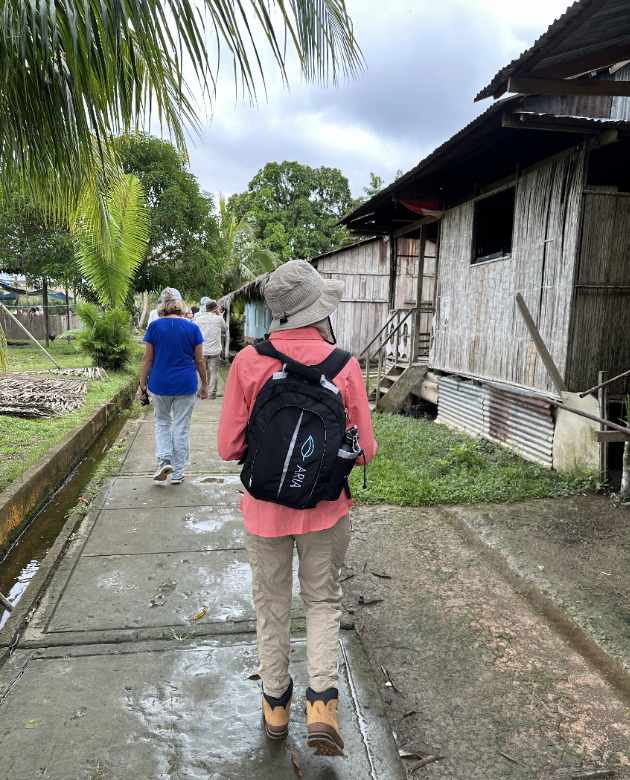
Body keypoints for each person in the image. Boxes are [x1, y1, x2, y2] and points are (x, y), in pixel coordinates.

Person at [218, 260, 376, 757]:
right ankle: (322, 709)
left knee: (272, 608)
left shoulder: (248, 362)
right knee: (324, 603)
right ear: (317, 308)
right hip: (326, 510)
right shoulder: (344, 364)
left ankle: (275, 709)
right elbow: (365, 449)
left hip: (264, 511)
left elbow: (227, 446)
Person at [137, 287, 208, 484]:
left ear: (163, 305)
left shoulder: (154, 327)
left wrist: (141, 385)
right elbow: (200, 361)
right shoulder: (192, 327)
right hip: (185, 383)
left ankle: (164, 461)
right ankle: (177, 473)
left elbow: (147, 358)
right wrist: (205, 384)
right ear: (180, 304)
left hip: (159, 384)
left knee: (161, 422)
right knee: (181, 426)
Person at [196, 299, 227, 400]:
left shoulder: (199, 319)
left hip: (202, 349)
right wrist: (220, 316)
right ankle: (212, 393)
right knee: (214, 371)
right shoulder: (219, 319)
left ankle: (199, 390)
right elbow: (225, 328)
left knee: (201, 370)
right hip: (215, 350)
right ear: (216, 309)